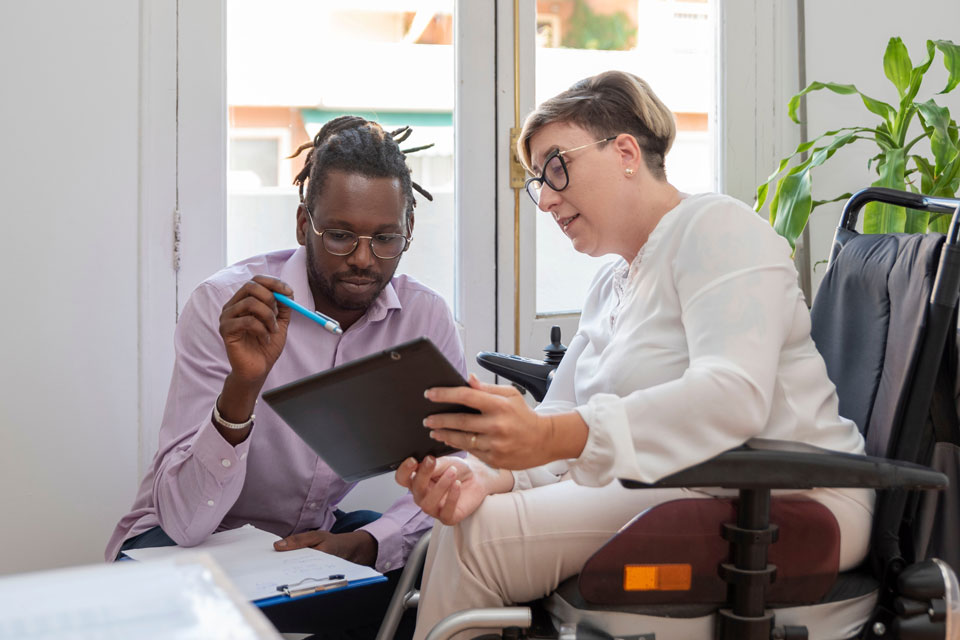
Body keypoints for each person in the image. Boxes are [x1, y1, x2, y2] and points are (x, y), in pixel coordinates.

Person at [395, 70, 875, 640]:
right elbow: (561, 413)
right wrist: (483, 474)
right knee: (465, 519)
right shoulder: (610, 285)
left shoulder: (719, 228)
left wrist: (552, 440)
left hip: (787, 495)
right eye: (537, 181)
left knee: (476, 542)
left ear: (625, 151)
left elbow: (732, 396)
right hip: (673, 484)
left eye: (555, 166)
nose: (545, 198)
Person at [106, 116, 466, 638]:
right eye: (340, 235)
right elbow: (185, 521)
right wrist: (243, 387)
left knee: (427, 579)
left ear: (408, 230)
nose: (364, 259)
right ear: (303, 225)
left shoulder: (423, 319)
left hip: (303, 548)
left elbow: (459, 469)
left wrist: (369, 543)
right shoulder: (227, 306)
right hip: (178, 543)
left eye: (386, 238)